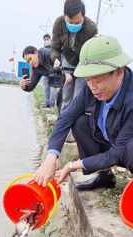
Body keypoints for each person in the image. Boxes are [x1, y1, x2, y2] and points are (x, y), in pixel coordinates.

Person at [34, 34, 133, 191]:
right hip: (110, 138)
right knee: (79, 122)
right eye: (87, 80)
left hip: (124, 149)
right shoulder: (90, 87)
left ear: (119, 72)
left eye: (97, 80)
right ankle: (105, 177)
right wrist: (51, 157)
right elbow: (66, 117)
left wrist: (72, 165)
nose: (92, 87)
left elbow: (116, 154)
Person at [51, 0, 98, 142]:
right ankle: (64, 130)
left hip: (84, 63)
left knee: (78, 97)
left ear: (83, 17)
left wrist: (72, 75)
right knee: (65, 97)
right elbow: (54, 48)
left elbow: (89, 57)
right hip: (66, 60)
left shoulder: (91, 29)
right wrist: (56, 59)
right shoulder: (59, 23)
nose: (73, 25)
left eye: (78, 23)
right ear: (64, 16)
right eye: (70, 21)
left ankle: (76, 131)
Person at [41, 34, 56, 108]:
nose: (46, 40)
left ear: (50, 39)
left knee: (52, 89)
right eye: (44, 39)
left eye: (47, 39)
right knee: (46, 88)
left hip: (53, 72)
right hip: (45, 73)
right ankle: (47, 104)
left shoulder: (54, 49)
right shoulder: (42, 50)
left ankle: (52, 105)